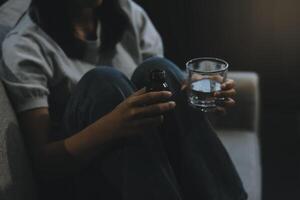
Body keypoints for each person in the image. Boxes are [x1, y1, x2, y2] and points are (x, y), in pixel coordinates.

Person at [0, 0, 247, 199]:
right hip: (84, 175)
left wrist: (203, 95)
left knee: (159, 68)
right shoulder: (25, 47)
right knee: (103, 83)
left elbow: (168, 110)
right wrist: (112, 125)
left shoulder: (128, 13)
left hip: (151, 164)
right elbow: (45, 165)